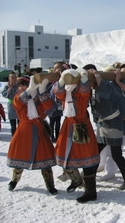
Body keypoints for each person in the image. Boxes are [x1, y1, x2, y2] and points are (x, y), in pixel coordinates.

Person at [52, 68, 100, 203]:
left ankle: (91, 192)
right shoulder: (66, 90)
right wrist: (61, 80)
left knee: (87, 159)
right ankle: (77, 180)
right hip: (68, 126)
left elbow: (85, 93)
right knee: (65, 157)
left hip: (82, 126)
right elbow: (57, 92)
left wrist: (84, 78)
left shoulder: (80, 89)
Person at [83, 64, 125, 190]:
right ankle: (89, 178)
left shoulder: (106, 85)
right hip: (102, 124)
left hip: (113, 123)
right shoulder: (93, 88)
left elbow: (103, 92)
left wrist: (97, 75)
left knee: (116, 155)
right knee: (96, 152)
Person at [6, 75, 58, 195]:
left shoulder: (38, 99)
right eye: (19, 86)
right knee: (20, 158)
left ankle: (50, 185)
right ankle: (14, 180)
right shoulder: (18, 97)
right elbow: (18, 103)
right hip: (24, 131)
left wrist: (42, 90)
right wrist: (29, 91)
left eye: (23, 85)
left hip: (39, 130)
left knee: (44, 160)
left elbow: (50, 106)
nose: (21, 88)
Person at [2, 71, 19, 136]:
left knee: (20, 124)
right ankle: (14, 138)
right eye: (12, 77)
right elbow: (5, 95)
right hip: (11, 106)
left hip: (19, 106)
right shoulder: (6, 86)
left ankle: (20, 138)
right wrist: (9, 89)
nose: (14, 79)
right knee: (13, 125)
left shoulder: (19, 85)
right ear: (9, 78)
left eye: (15, 77)